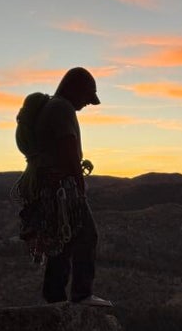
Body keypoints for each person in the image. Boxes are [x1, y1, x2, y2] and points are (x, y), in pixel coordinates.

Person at [16, 67, 112, 308]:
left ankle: (54, 298)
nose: (86, 105)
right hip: (62, 187)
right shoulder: (63, 108)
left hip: (47, 185)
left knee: (62, 241)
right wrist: (78, 184)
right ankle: (82, 294)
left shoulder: (52, 107)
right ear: (76, 90)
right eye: (86, 98)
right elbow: (68, 146)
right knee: (87, 236)